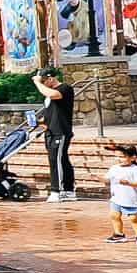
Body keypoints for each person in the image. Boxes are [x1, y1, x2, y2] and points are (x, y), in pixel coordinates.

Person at [32, 68, 77, 201]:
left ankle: (56, 190)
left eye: (44, 81)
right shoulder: (48, 95)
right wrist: (39, 122)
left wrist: (37, 82)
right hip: (50, 131)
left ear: (50, 79)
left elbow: (53, 95)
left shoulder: (65, 88)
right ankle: (68, 189)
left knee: (55, 160)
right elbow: (51, 113)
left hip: (60, 131)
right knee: (61, 159)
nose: (42, 84)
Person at [104, 143, 137, 246]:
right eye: (117, 156)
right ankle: (118, 234)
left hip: (131, 199)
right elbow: (107, 178)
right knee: (114, 216)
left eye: (122, 157)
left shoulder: (135, 169)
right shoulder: (114, 168)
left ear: (133, 157)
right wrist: (98, 178)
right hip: (116, 198)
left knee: (133, 218)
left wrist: (128, 183)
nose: (119, 159)